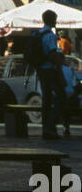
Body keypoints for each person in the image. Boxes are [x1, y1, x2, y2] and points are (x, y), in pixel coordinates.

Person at [32, 8, 65, 139]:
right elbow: (52, 54)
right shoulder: (50, 35)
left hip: (41, 70)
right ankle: (50, 126)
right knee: (61, 97)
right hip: (49, 70)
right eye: (55, 19)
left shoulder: (39, 33)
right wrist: (60, 71)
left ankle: (46, 129)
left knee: (46, 99)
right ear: (52, 20)